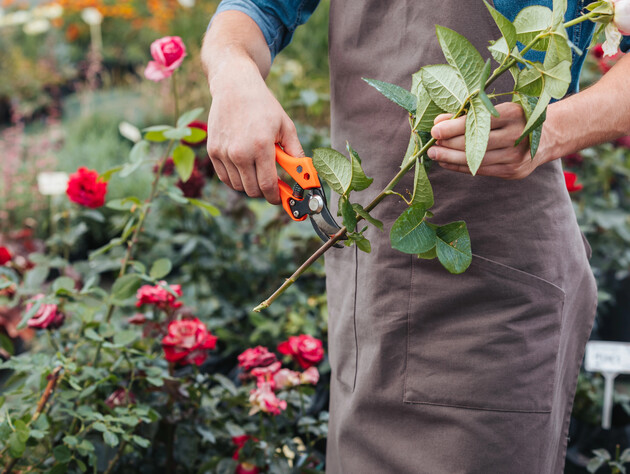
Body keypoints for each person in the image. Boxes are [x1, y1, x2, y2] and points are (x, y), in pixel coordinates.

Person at [201, 1, 630, 472]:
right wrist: (232, 70)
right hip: (371, 293)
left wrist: (550, 130)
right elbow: (257, 10)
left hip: (490, 311)